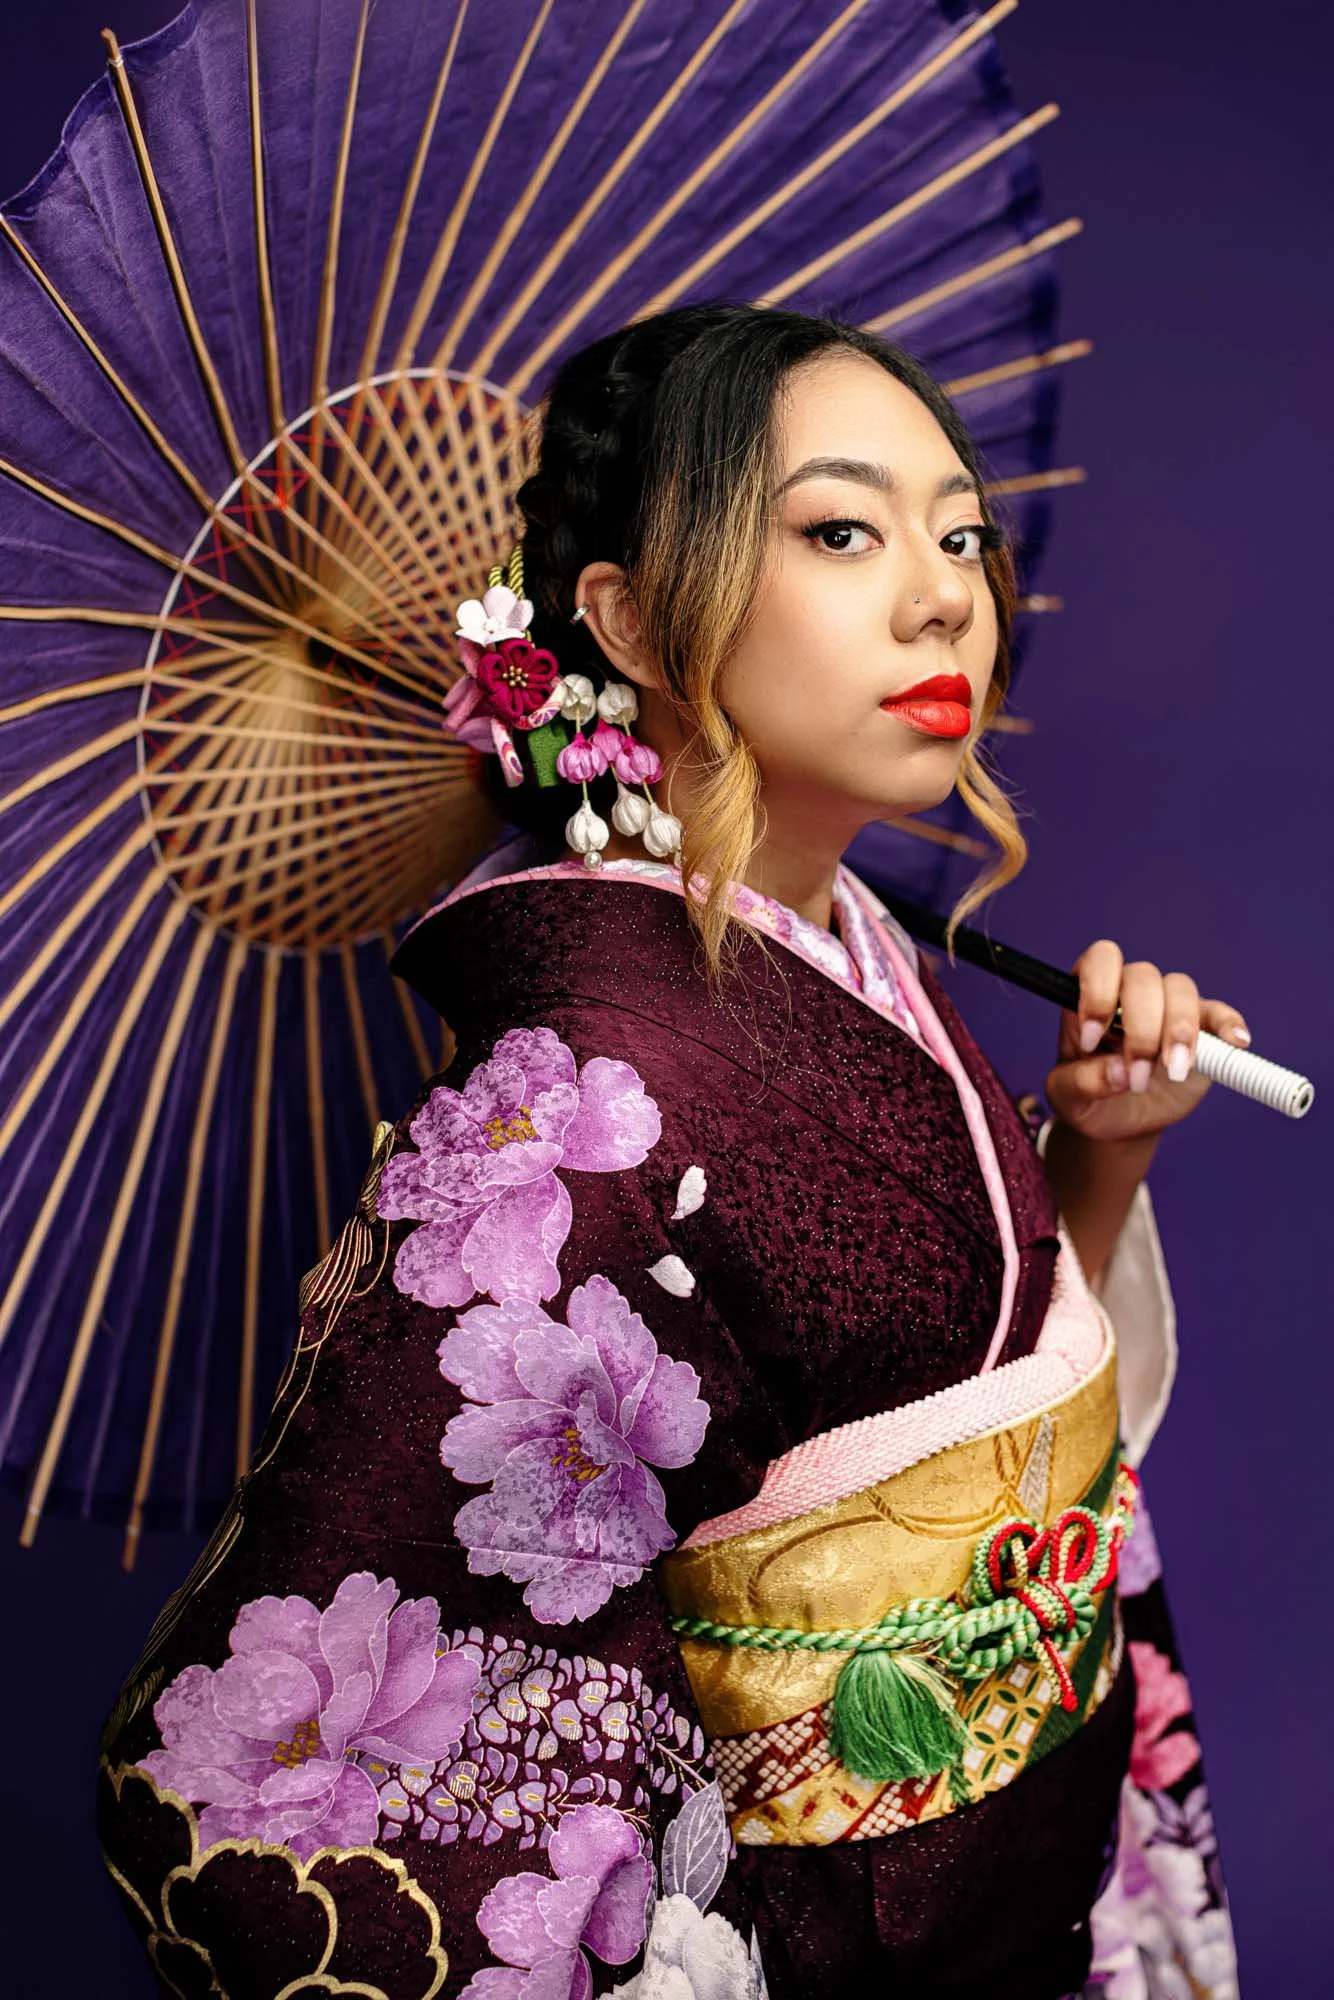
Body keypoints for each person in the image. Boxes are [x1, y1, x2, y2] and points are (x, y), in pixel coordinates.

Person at [98, 305, 1241, 1999]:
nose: (943, 598)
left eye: (958, 536)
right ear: (627, 617)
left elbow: (969, 1402)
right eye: (839, 530)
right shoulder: (592, 1083)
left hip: (1038, 1894)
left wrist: (1100, 1160)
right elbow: (269, 1772)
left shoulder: (838, 949)